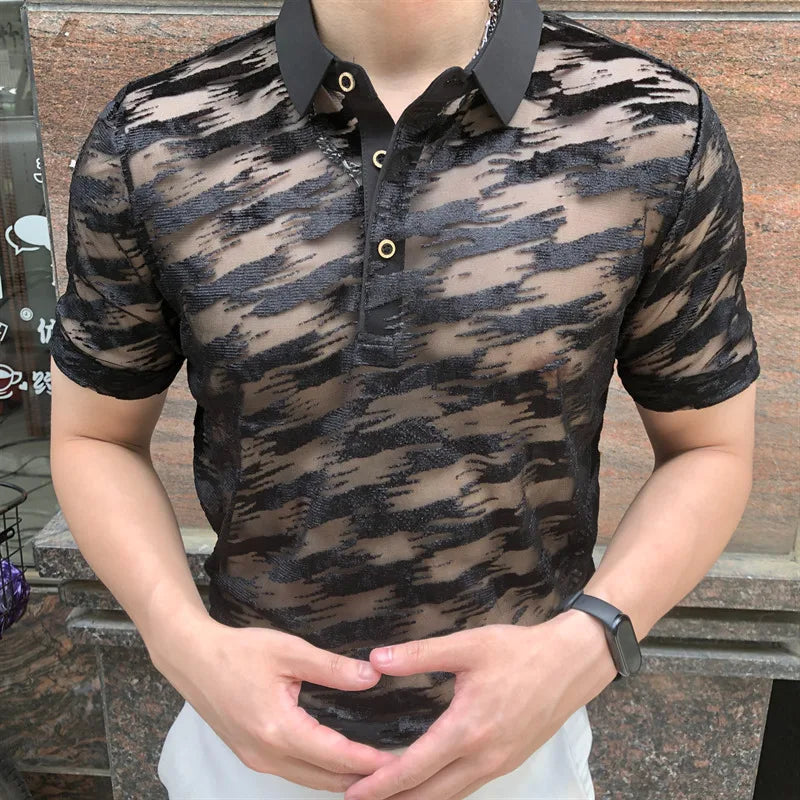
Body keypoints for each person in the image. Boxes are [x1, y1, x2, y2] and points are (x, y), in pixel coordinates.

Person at [49, 0, 760, 798]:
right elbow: (95, 436)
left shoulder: (653, 125)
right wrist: (178, 640)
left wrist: (591, 644)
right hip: (243, 750)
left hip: (519, 758)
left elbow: (708, 448)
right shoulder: (156, 136)